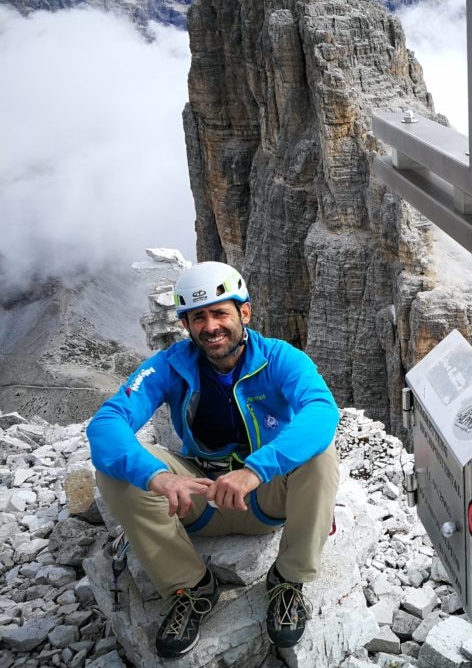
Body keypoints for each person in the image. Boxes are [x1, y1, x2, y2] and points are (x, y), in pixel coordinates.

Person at [87, 261, 341, 658]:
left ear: (245, 312)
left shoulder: (279, 358)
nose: (210, 327)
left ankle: (288, 580)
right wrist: (156, 477)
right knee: (114, 472)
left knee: (321, 454)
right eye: (198, 317)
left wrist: (256, 470)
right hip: (198, 495)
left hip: (264, 497)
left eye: (220, 312)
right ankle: (190, 587)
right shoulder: (169, 366)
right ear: (186, 325)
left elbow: (322, 412)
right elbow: (107, 423)